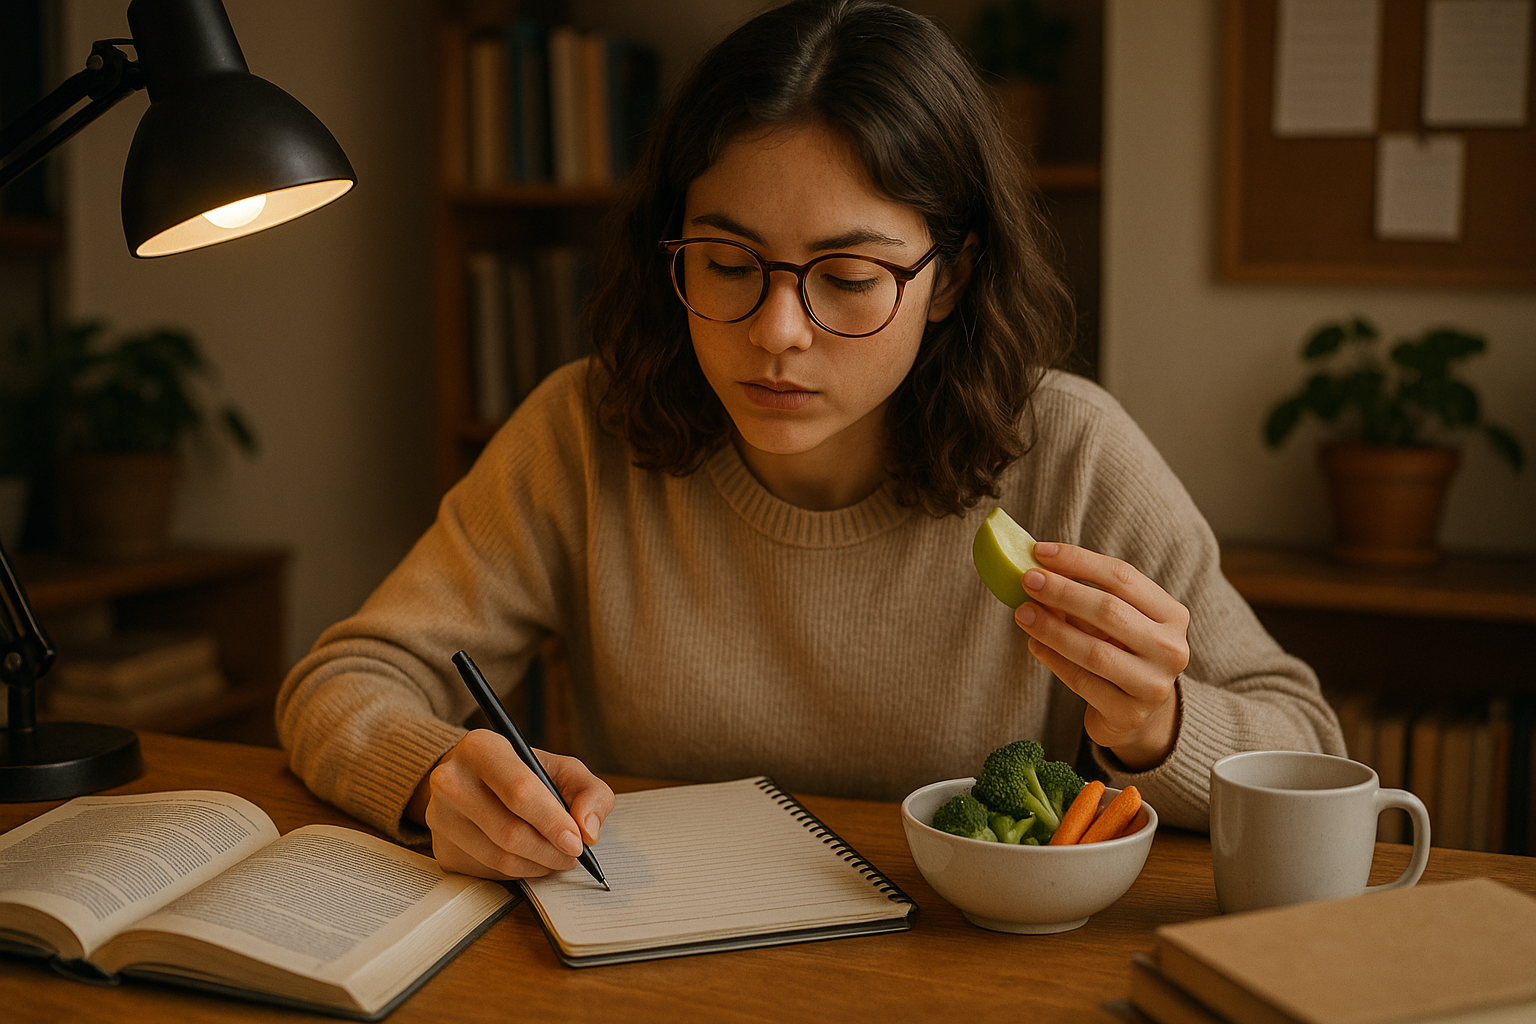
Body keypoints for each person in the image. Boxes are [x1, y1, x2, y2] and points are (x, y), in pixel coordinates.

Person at [277, 0, 1344, 882]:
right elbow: (346, 675)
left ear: (951, 280)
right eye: (729, 263)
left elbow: (1309, 744)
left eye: (847, 277)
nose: (775, 332)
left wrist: (1156, 724)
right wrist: (432, 775)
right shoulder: (582, 430)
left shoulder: (1068, 450)